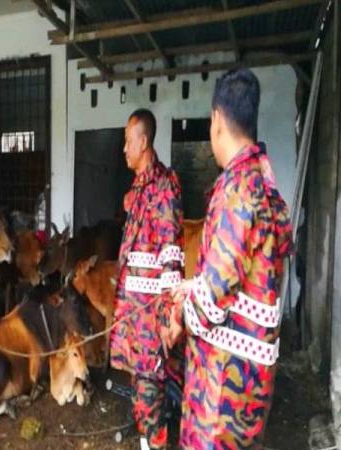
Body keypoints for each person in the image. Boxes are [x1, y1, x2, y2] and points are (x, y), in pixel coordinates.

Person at [169, 68, 293, 449]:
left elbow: (212, 298)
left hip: (223, 387)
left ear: (217, 121)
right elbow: (240, 275)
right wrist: (192, 284)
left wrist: (180, 311)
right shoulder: (264, 182)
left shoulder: (238, 189)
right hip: (249, 377)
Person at [110, 109, 185, 450]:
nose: (124, 148)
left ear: (143, 142)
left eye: (128, 141)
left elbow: (171, 253)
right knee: (142, 399)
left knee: (152, 399)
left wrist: (171, 314)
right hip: (133, 319)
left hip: (151, 320)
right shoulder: (138, 190)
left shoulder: (163, 186)